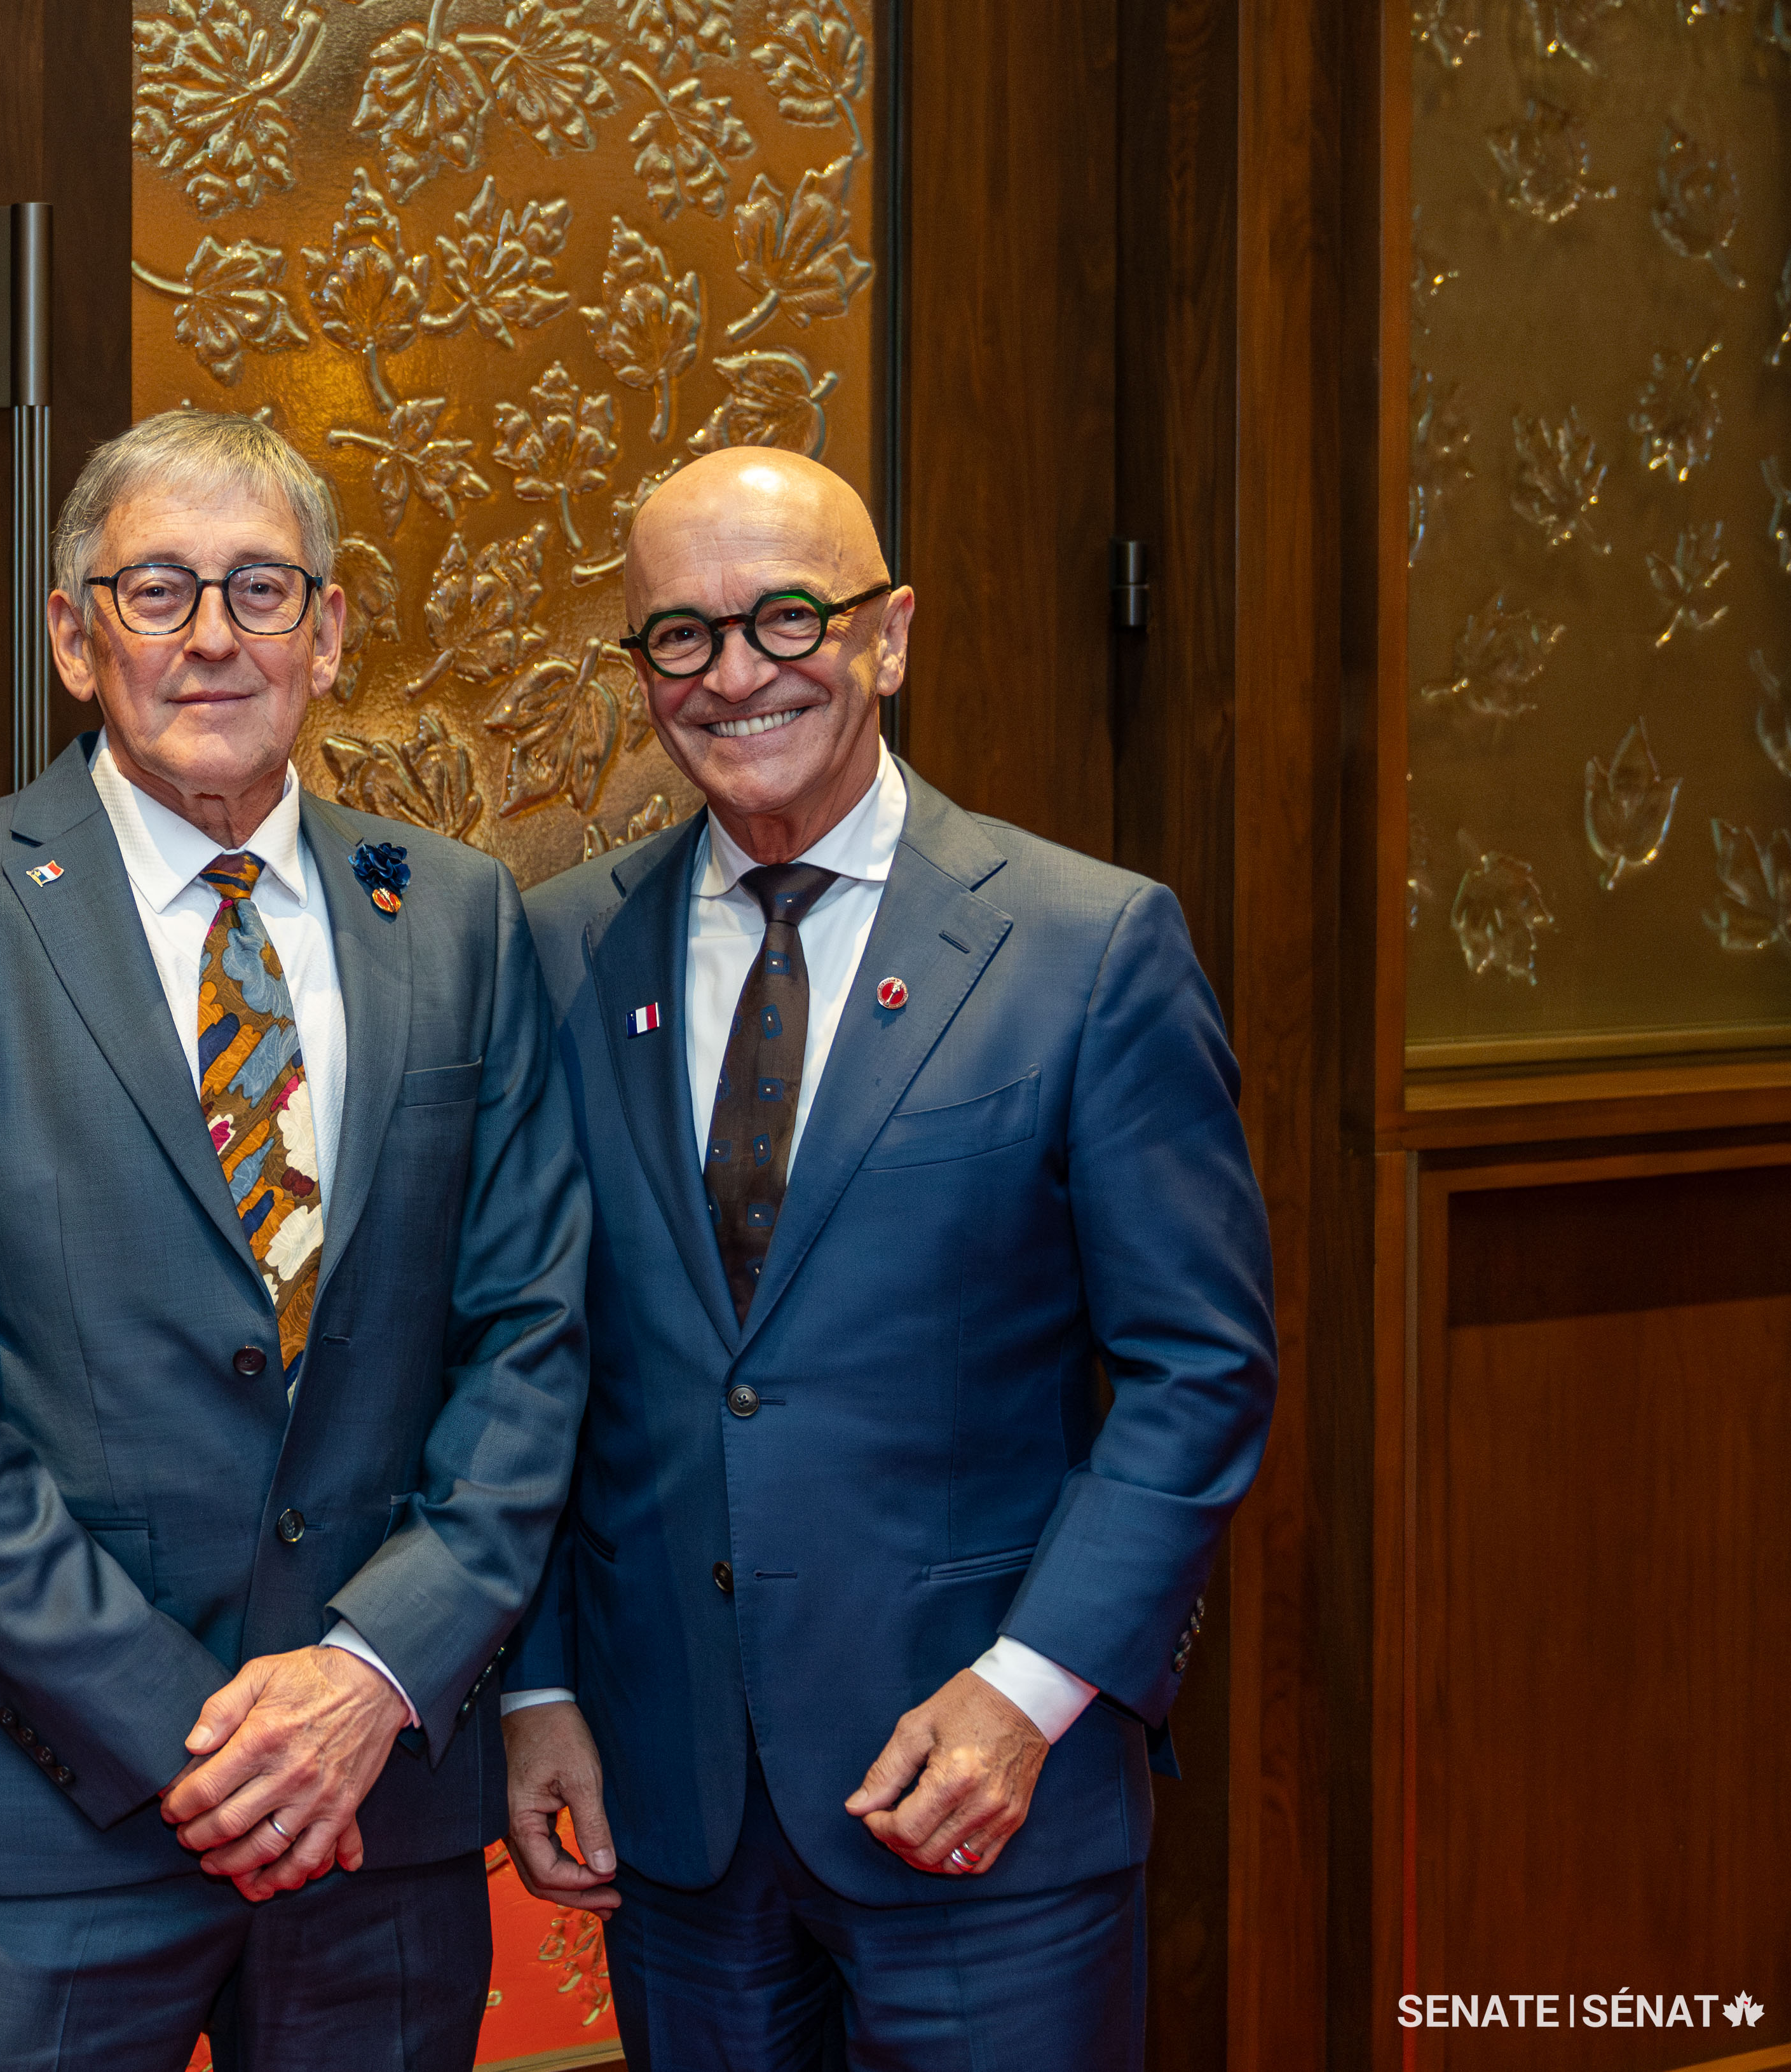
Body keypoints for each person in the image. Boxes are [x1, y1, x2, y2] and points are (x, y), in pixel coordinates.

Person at [0, 408, 590, 2072]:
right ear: (73, 636)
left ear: (332, 629)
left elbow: (532, 1333)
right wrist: (199, 1737)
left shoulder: (453, 915)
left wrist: (371, 1678)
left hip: (380, 1809)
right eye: (157, 589)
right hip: (47, 1823)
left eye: (259, 586)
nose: (215, 633)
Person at [500, 447, 1276, 2069]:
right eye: (679, 637)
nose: (735, 675)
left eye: (787, 617)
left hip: (982, 1793)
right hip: (676, 1809)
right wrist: (535, 1689)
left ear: (890, 633)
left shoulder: (1085, 945)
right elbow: (527, 1352)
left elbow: (1199, 1368)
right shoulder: (561, 946)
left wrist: (1030, 1686)